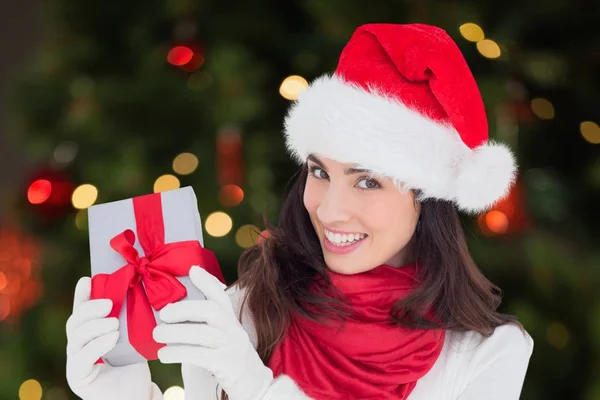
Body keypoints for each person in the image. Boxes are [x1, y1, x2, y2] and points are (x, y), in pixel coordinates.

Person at [65, 23, 534, 400]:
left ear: (426, 198)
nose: (329, 209)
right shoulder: (242, 312)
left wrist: (259, 389)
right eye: (319, 171)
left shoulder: (487, 357)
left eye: (367, 181)